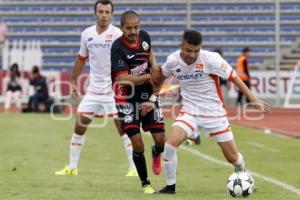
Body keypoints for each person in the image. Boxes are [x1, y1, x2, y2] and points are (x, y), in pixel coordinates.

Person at [153, 30, 271, 194]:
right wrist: (152, 98)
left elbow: (234, 76)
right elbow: (160, 76)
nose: (192, 55)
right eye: (188, 50)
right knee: (169, 145)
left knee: (233, 158)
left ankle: (243, 174)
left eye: (196, 51)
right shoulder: (173, 60)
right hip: (190, 112)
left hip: (214, 114)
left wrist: (253, 99)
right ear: (181, 46)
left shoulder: (211, 59)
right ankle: (170, 186)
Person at [55, 0, 137, 177]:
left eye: (107, 12)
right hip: (93, 91)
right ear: (95, 13)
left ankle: (134, 168)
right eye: (101, 11)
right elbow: (81, 59)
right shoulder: (87, 34)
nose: (104, 15)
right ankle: (72, 167)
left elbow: (131, 59)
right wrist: (73, 81)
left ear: (111, 14)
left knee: (123, 128)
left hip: (115, 90)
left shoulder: (118, 34)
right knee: (79, 126)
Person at [111, 11, 165, 194]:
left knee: (160, 140)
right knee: (137, 143)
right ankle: (145, 183)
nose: (133, 31)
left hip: (147, 95)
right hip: (126, 98)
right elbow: (123, 79)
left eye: (136, 27)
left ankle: (156, 152)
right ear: (121, 28)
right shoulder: (117, 48)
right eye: (129, 28)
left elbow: (150, 54)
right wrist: (148, 75)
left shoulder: (145, 37)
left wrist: (155, 67)